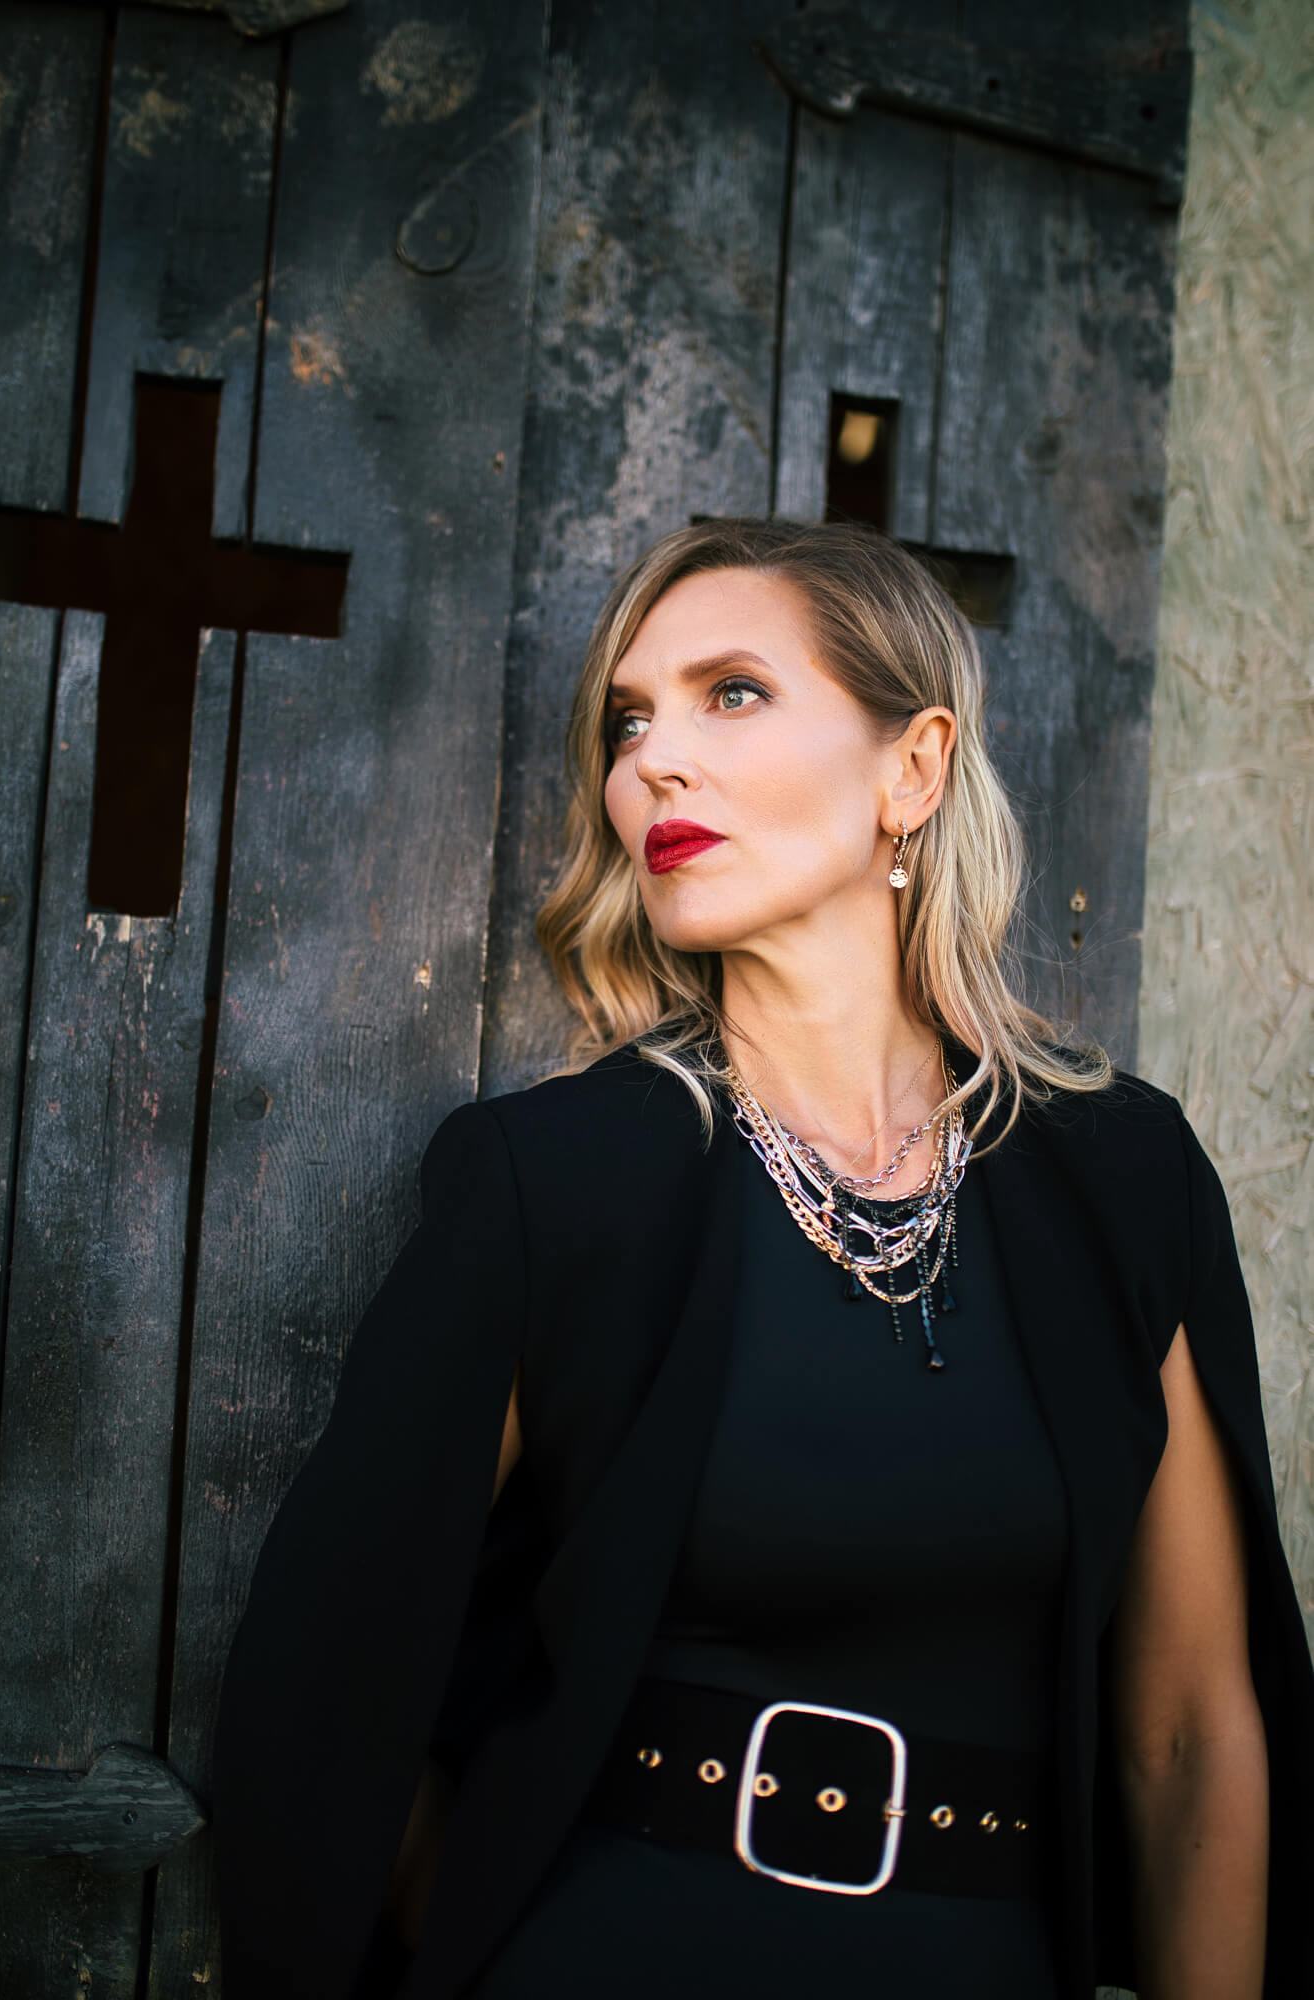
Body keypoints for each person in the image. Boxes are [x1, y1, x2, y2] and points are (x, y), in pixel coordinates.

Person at [212, 519, 1314, 2000]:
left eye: (731, 693)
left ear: (912, 768)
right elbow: (324, 1681)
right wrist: (484, 1933)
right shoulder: (562, 1181)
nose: (652, 764)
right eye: (627, 722)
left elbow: (1189, 1730)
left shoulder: (1117, 1174)